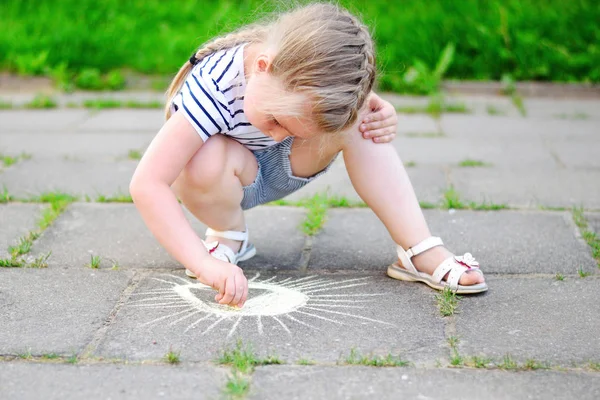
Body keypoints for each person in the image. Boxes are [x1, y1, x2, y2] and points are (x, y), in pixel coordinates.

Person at [130, 2, 487, 309]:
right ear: (262, 66)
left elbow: (343, 96)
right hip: (229, 179)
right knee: (199, 160)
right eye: (275, 120)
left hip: (289, 168)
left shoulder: (297, 88)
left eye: (293, 128)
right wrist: (203, 265)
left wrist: (379, 114)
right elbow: (148, 183)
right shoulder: (213, 86)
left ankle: (417, 249)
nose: (278, 135)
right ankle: (228, 236)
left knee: (359, 121)